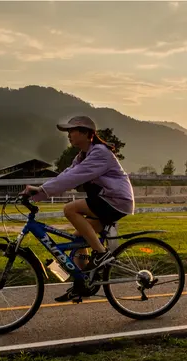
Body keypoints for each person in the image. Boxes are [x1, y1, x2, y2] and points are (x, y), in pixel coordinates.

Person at [21, 115, 135, 302]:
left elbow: (73, 178)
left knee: (70, 209)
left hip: (115, 200)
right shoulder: (82, 156)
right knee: (79, 238)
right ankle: (82, 284)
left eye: (71, 131)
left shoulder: (100, 153)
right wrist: (38, 192)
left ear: (86, 133)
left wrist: (41, 192)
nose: (68, 135)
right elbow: (66, 174)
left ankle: (100, 253)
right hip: (107, 200)